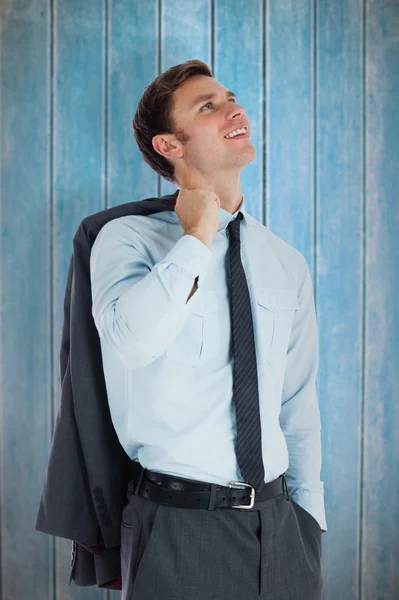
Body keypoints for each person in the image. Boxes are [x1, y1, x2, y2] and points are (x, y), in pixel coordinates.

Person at [89, 59, 327, 600]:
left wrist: (309, 525)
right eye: (208, 106)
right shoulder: (125, 241)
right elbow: (131, 342)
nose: (233, 109)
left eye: (230, 98)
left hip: (283, 530)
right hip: (178, 530)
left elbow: (297, 404)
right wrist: (197, 236)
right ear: (170, 146)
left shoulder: (285, 262)